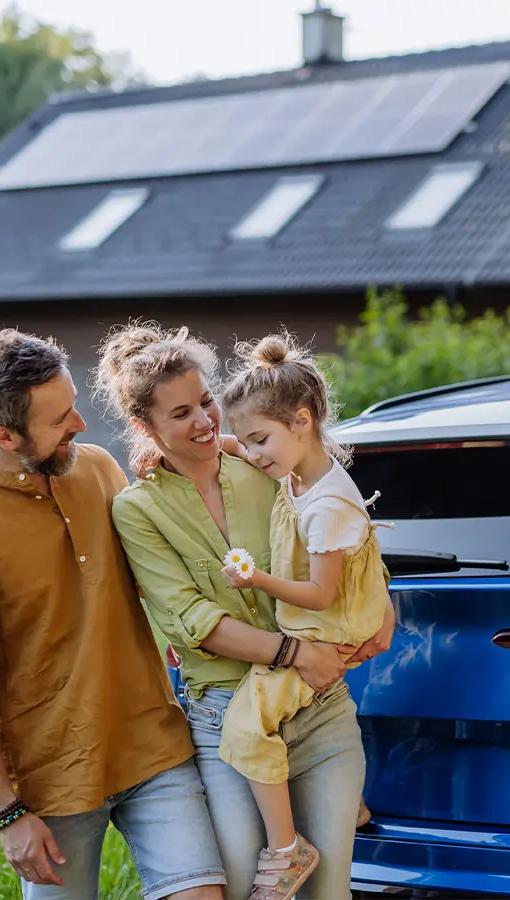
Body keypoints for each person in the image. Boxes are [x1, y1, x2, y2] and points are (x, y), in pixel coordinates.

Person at [0, 329, 225, 900]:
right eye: (58, 420)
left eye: (73, 405)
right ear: (5, 435)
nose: (79, 424)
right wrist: (8, 815)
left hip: (153, 746)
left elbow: (158, 569)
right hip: (53, 781)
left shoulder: (99, 469)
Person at [98, 323, 395, 900]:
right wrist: (296, 651)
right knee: (244, 887)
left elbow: (342, 534)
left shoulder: (263, 464)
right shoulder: (138, 510)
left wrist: (385, 606)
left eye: (206, 401)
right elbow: (193, 621)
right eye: (180, 414)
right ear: (144, 428)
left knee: (328, 891)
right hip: (227, 718)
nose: (205, 421)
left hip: (319, 708)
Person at [216, 333, 390, 900]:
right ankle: (351, 802)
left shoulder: (327, 506)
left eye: (261, 439)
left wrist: (255, 579)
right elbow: (246, 447)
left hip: (321, 629)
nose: (254, 453)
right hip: (322, 627)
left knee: (244, 727)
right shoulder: (299, 470)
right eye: (247, 442)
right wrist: (208, 442)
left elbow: (318, 593)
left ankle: (287, 850)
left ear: (303, 420)